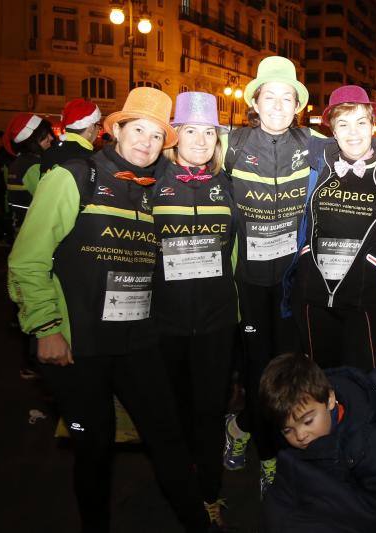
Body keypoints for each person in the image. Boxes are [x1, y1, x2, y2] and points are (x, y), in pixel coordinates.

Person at [8, 87, 211, 533]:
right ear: (115, 129)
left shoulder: (154, 189)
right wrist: (45, 327)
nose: (147, 142)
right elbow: (27, 259)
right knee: (94, 448)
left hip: (137, 339)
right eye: (138, 129)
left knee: (168, 437)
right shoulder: (74, 176)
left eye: (158, 136)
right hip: (78, 344)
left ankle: (199, 524)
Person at [220, 56, 320, 491]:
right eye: (270, 97)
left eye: (288, 98)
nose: (279, 106)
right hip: (251, 281)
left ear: (298, 104)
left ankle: (246, 428)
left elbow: (368, 153)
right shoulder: (233, 144)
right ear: (255, 102)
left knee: (293, 371)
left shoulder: (314, 142)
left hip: (294, 279)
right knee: (260, 372)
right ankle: (268, 457)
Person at [152, 92, 239, 528]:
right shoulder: (151, 181)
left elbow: (236, 251)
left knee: (208, 412)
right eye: (191, 131)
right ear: (175, 136)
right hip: (163, 322)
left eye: (210, 132)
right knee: (171, 413)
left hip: (215, 322)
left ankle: (209, 494)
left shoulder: (228, 185)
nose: (202, 140)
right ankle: (176, 491)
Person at [293, 85, 376, 370]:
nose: (353, 132)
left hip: (364, 297)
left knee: (365, 383)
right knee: (322, 381)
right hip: (314, 293)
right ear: (332, 128)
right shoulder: (318, 161)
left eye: (360, 122)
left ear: (372, 124)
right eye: (343, 124)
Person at [259, 352, 376, 532]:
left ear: (330, 400)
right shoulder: (308, 415)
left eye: (308, 421)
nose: (300, 435)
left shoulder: (369, 440)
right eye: (287, 430)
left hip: (368, 506)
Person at [2, 113, 55, 231]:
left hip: (21, 226)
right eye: (46, 134)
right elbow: (51, 201)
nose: (51, 138)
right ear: (33, 138)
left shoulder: (17, 163)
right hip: (35, 229)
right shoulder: (34, 166)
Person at [40, 98, 101, 173]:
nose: (99, 129)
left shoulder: (49, 152)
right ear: (91, 128)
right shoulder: (92, 159)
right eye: (98, 125)